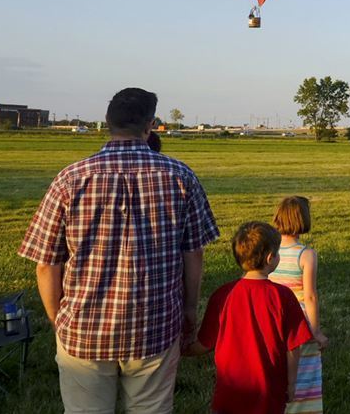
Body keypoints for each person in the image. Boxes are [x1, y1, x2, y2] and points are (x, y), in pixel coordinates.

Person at [17, 87, 219, 413]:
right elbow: (193, 253)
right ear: (149, 125)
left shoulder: (70, 179)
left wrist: (58, 320)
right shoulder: (180, 177)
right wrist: (190, 309)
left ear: (108, 123)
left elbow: (46, 264)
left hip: (83, 329)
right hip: (155, 325)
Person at [187, 222, 314, 414]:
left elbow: (204, 343)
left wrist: (180, 349)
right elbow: (293, 347)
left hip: (228, 392)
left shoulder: (223, 295)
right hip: (268, 394)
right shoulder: (283, 296)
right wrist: (291, 383)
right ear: (271, 258)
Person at [272, 196, 327, 412]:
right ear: (303, 219)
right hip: (299, 324)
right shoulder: (306, 254)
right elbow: (310, 296)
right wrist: (315, 331)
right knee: (304, 371)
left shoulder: (270, 252)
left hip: (274, 318)